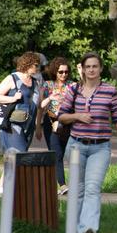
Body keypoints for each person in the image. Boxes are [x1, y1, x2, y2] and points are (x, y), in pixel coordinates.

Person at [57, 52, 117, 233]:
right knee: (78, 190)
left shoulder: (110, 91)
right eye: (88, 66)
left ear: (100, 69)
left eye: (95, 66)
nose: (91, 70)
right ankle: (75, 231)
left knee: (92, 188)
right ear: (82, 69)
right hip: (76, 146)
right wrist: (78, 116)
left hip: (100, 147)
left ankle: (87, 230)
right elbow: (61, 117)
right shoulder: (73, 90)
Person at [0, 51, 41, 193]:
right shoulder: (12, 78)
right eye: (36, 65)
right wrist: (13, 98)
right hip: (13, 124)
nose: (38, 68)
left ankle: (1, 186)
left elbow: (38, 105)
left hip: (28, 125)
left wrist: (50, 100)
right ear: (27, 64)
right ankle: (16, 188)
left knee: (15, 156)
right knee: (19, 155)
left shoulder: (35, 82)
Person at [36, 57, 73, 195]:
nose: (64, 75)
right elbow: (40, 107)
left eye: (66, 72)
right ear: (54, 72)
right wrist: (38, 126)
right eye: (60, 72)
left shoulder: (72, 86)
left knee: (65, 153)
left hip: (68, 123)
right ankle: (62, 185)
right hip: (50, 123)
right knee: (56, 154)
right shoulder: (47, 85)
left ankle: (54, 182)